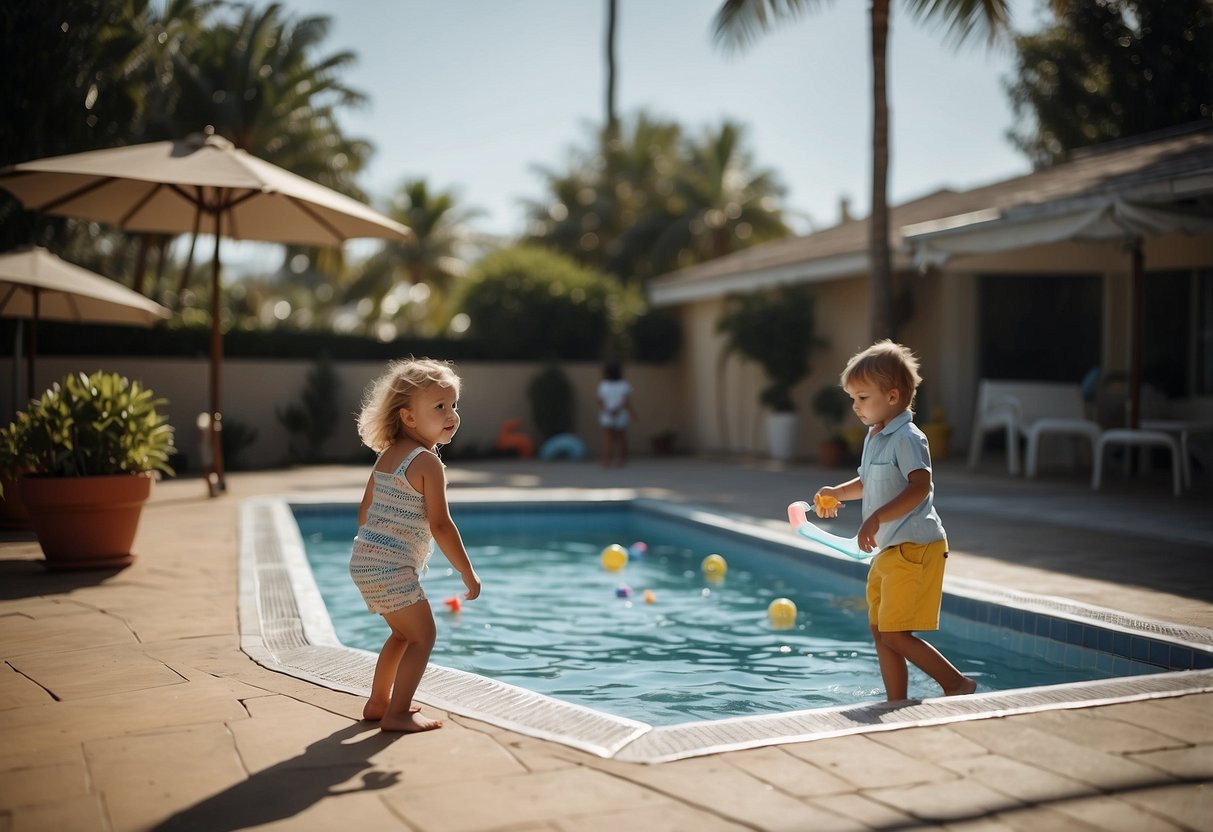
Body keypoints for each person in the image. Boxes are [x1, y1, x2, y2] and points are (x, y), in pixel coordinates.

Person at [813, 340, 976, 702]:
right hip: (890, 549)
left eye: (862, 398)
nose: (855, 407)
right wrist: (837, 493)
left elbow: (921, 486)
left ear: (892, 396)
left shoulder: (907, 438)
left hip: (915, 547)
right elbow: (868, 481)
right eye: (852, 398)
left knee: (895, 633)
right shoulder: (875, 437)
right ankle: (896, 701)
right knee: (879, 629)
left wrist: (874, 518)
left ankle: (957, 684)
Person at [349, 357, 481, 732]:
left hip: (364, 562)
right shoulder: (426, 462)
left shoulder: (387, 458)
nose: (451, 414)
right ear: (408, 417)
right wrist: (466, 571)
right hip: (391, 568)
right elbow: (440, 523)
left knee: (402, 635)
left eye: (453, 405)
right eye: (439, 407)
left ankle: (378, 702)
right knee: (424, 637)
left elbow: (364, 512)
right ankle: (399, 712)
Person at [597, 360, 634, 467]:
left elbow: (600, 401)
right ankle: (622, 460)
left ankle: (606, 461)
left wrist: (609, 410)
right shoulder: (624, 384)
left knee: (608, 439)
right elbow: (626, 401)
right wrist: (618, 410)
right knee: (622, 439)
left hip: (607, 414)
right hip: (621, 414)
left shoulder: (603, 385)